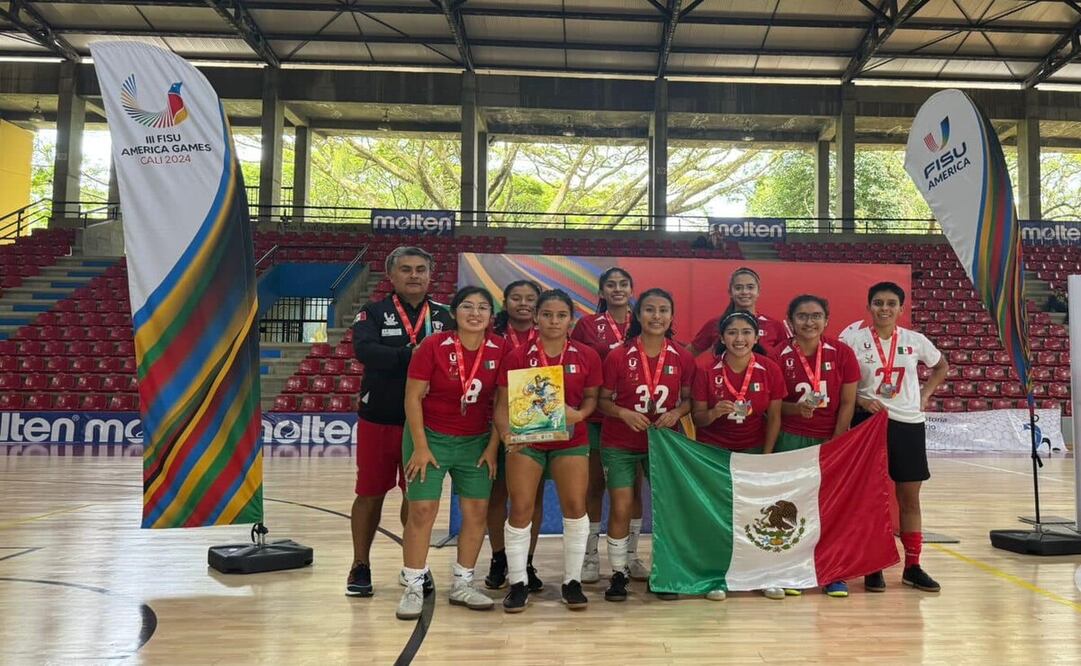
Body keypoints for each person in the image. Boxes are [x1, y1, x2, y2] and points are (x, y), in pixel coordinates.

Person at [396, 287, 508, 620]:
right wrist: (420, 445)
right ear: (455, 312)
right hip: (429, 436)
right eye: (468, 306)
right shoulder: (432, 345)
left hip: (476, 441)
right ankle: (414, 585)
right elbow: (412, 397)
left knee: (476, 512)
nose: (475, 313)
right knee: (422, 511)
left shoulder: (500, 349)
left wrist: (491, 447)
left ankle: (463, 583)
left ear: (491, 315)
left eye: (483, 307)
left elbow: (501, 403)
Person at [347, 246, 452, 598]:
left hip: (424, 424)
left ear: (430, 274)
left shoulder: (445, 316)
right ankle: (360, 564)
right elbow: (365, 351)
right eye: (406, 269)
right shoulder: (373, 312)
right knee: (369, 494)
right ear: (391, 275)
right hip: (379, 418)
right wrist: (415, 356)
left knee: (418, 497)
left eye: (420, 269)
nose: (414, 275)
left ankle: (415, 567)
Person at [494, 289, 603, 612]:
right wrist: (506, 436)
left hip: (570, 440)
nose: (554, 321)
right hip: (527, 442)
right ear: (537, 317)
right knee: (522, 507)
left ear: (571, 319)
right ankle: (518, 583)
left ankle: (572, 582)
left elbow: (592, 399)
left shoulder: (586, 355)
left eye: (561, 315)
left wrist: (581, 415)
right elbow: (501, 404)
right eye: (547, 315)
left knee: (574, 505)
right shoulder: (516, 356)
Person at [840, 281, 948, 595]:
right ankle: (873, 567)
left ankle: (912, 566)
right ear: (869, 307)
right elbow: (842, 383)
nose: (884, 309)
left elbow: (941, 366)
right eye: (878, 303)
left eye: (890, 303)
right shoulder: (852, 339)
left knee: (909, 498)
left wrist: (926, 394)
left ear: (901, 308)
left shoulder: (915, 341)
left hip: (908, 423)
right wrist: (860, 400)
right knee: (872, 497)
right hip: (867, 422)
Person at [597, 288, 696, 602]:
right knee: (622, 506)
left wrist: (677, 412)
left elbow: (690, 400)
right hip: (620, 441)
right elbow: (601, 401)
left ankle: (665, 571)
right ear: (637, 316)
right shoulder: (618, 355)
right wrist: (623, 412)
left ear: (671, 316)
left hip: (665, 443)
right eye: (650, 310)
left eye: (664, 310)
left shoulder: (682, 356)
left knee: (667, 509)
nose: (657, 316)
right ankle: (618, 573)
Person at [690, 310, 785, 601]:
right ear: (722, 337)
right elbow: (697, 418)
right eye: (732, 332)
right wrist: (713, 413)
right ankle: (715, 575)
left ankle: (763, 574)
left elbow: (775, 417)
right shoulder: (707, 371)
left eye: (746, 332)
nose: (739, 338)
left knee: (758, 515)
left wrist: (766, 456)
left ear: (756, 337)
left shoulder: (769, 369)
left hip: (754, 452)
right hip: (715, 454)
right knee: (718, 516)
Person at [773, 295, 861, 598]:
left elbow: (848, 402)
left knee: (828, 506)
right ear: (790, 320)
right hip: (790, 437)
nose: (809, 322)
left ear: (826, 319)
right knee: (790, 506)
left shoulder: (842, 353)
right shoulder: (776, 355)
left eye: (816, 315)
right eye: (801, 316)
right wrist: (797, 410)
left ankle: (833, 571)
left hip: (829, 438)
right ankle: (791, 570)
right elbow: (772, 407)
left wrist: (837, 440)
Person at [569, 267, 648, 583]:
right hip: (595, 415)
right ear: (601, 292)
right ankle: (589, 556)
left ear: (632, 289)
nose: (617, 289)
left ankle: (630, 555)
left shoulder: (642, 321)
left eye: (623, 284)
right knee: (594, 486)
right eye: (610, 285)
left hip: (630, 418)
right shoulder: (588, 325)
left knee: (632, 489)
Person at [486, 280, 545, 593]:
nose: (523, 303)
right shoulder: (491, 337)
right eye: (516, 298)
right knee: (497, 495)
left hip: (533, 426)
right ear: (505, 301)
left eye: (530, 299)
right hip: (495, 423)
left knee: (530, 498)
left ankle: (527, 559)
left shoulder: (549, 335)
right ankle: (499, 557)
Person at [688, 267, 789, 357]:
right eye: (738, 288)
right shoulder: (716, 323)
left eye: (750, 287)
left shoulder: (774, 326)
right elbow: (689, 353)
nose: (744, 292)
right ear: (730, 292)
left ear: (758, 291)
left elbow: (787, 358)